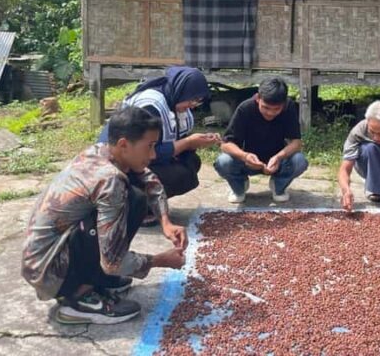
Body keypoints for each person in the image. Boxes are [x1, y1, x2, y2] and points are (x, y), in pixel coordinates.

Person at [21, 107, 187, 325]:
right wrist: (159, 261)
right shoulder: (110, 180)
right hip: (49, 271)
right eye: (150, 146)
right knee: (129, 201)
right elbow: (113, 262)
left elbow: (148, 179)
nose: (153, 155)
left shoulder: (101, 151)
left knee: (136, 198)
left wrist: (165, 222)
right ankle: (79, 299)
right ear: (124, 144)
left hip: (48, 259)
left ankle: (94, 279)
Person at [99, 66, 220, 203]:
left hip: (140, 157)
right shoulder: (151, 105)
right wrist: (188, 143)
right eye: (192, 99)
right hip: (119, 164)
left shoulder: (174, 102)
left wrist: (197, 141)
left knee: (191, 161)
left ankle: (151, 202)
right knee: (179, 174)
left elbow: (171, 138)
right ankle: (140, 203)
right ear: (181, 90)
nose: (193, 105)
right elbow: (146, 152)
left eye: (198, 101)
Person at [214, 78, 308, 203]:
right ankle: (239, 186)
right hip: (248, 161)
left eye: (276, 109)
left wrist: (278, 157)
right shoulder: (245, 108)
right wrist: (245, 156)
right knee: (223, 162)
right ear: (258, 98)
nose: (270, 113)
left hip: (278, 162)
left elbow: (296, 142)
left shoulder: (288, 107)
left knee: (300, 161)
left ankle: (278, 186)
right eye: (266, 107)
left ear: (284, 103)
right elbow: (226, 145)